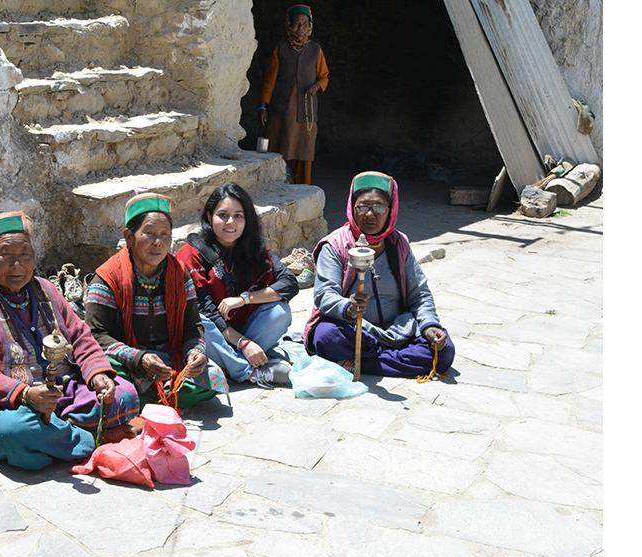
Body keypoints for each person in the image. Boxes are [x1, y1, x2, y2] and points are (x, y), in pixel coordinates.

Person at [0, 212, 141, 470]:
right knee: (13, 434)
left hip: (62, 390)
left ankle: (56, 436)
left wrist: (96, 374)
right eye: (6, 254)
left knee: (126, 396)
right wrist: (26, 394)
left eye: (25, 254)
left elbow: (80, 335)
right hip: (8, 406)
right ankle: (90, 438)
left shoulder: (45, 289)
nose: (18, 264)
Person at [303, 171, 456, 378]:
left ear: (391, 209)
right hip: (355, 329)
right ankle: (388, 359)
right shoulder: (335, 245)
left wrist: (429, 325)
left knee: (444, 352)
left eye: (379, 207)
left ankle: (362, 363)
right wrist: (348, 307)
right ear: (352, 207)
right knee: (326, 337)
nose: (369, 214)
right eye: (362, 206)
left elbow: (419, 293)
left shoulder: (398, 244)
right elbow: (324, 295)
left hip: (399, 329)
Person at [84, 194, 228, 409]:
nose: (158, 242)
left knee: (214, 380)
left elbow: (193, 326)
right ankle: (145, 393)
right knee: (111, 375)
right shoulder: (107, 277)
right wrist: (139, 358)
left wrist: (195, 352)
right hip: (127, 360)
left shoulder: (180, 273)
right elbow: (95, 335)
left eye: (164, 235)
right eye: (148, 234)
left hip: (169, 358)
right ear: (129, 237)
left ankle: (148, 395)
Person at [175, 183, 299, 388]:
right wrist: (245, 344)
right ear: (209, 216)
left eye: (238, 216)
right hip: (215, 332)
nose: (230, 222)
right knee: (199, 322)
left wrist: (245, 299)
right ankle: (248, 370)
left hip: (243, 328)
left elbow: (289, 283)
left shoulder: (254, 248)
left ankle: (229, 362)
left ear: (247, 219)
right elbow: (205, 310)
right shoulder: (192, 254)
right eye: (222, 215)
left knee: (280, 311)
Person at [257, 4, 330, 185]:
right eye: (297, 24)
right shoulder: (280, 49)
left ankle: (300, 185)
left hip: (305, 111)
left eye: (305, 24)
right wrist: (263, 104)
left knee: (303, 147)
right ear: (289, 25)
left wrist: (318, 86)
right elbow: (269, 80)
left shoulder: (316, 50)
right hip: (281, 108)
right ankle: (274, 182)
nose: (301, 29)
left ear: (310, 26)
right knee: (276, 143)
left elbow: (324, 76)